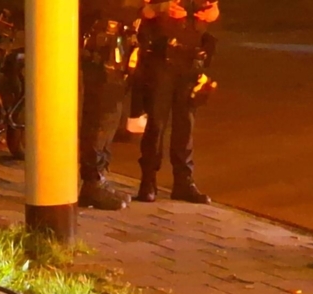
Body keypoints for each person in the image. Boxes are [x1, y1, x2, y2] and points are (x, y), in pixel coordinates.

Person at [136, 0, 220, 204]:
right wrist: (160, 9)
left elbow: (214, 9)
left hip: (192, 58)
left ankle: (183, 181)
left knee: (185, 122)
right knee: (157, 122)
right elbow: (140, 11)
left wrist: (212, 13)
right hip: (161, 58)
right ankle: (148, 181)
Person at [77, 0, 144, 211]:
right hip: (104, 46)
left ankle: (99, 178)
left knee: (110, 115)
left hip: (119, 45)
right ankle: (92, 181)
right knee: (100, 116)